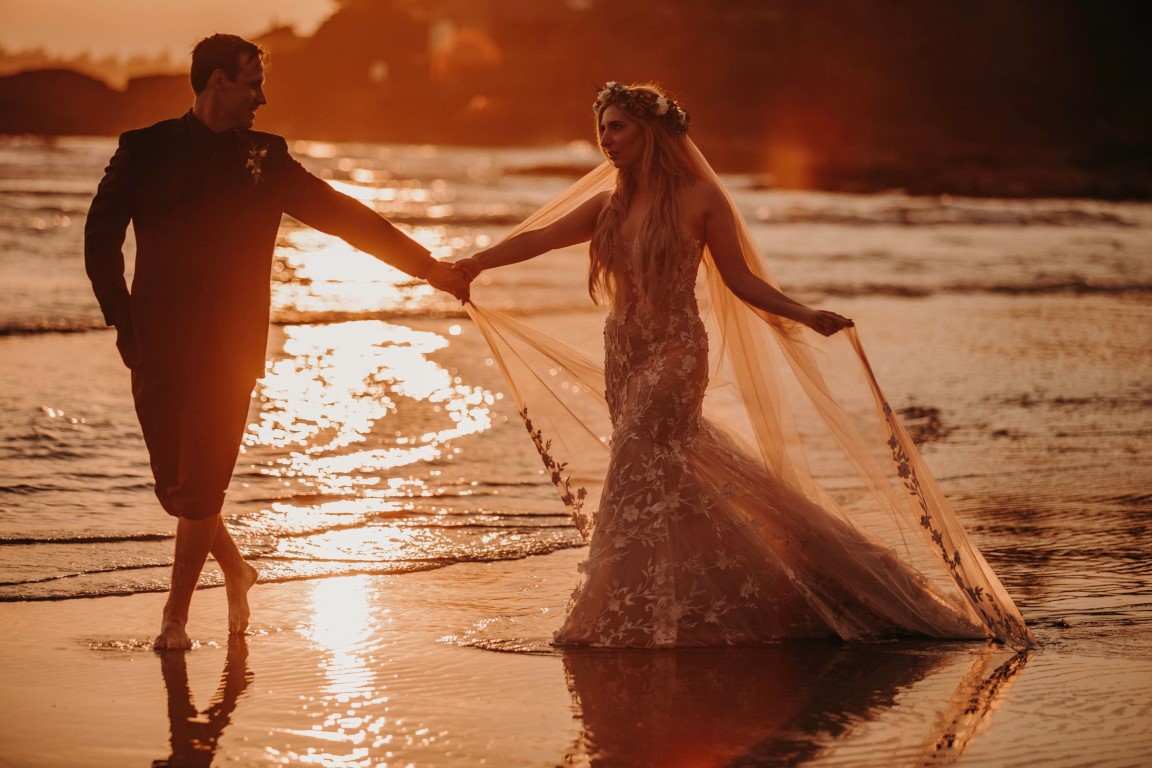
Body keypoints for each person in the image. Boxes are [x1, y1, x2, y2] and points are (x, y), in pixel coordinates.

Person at [454, 82, 1036, 649]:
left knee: (635, 457)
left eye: (619, 127)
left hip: (677, 354)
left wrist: (804, 314)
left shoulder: (701, 199)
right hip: (623, 355)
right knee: (666, 475)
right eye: (602, 128)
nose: (607, 139)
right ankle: (690, 599)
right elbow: (538, 240)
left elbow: (740, 279)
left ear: (652, 131)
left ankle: (612, 613)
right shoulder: (607, 205)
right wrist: (473, 263)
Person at [84, 34, 469, 651]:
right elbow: (100, 240)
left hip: (232, 348)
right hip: (155, 342)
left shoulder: (267, 154)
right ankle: (237, 568)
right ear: (217, 82)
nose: (262, 98)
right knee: (178, 491)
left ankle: (174, 619)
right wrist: (124, 323)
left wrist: (428, 268)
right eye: (252, 83)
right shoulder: (144, 149)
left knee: (203, 485)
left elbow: (343, 215)